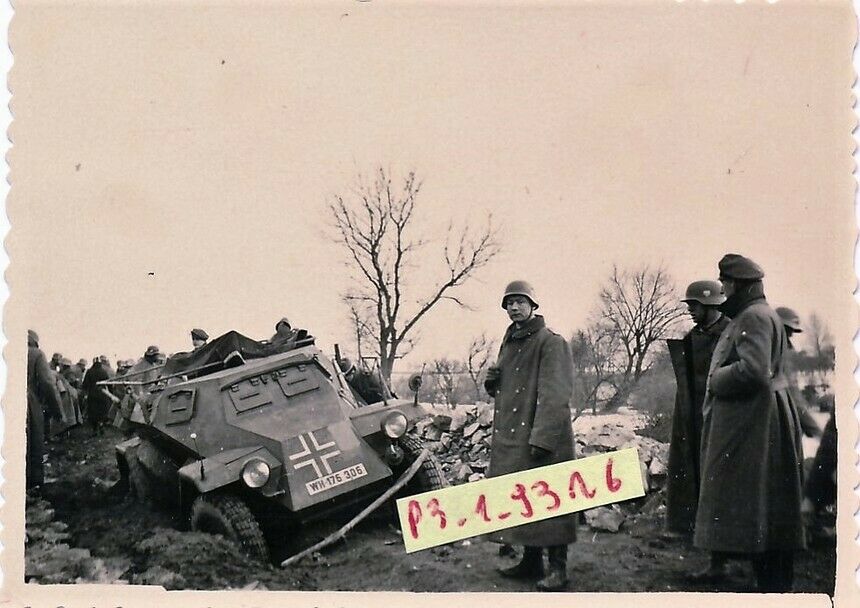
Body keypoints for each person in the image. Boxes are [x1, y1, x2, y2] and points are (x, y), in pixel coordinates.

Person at [694, 254, 805, 592]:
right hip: (757, 422)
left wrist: (716, 379)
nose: (723, 289)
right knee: (765, 507)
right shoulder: (756, 314)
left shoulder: (753, 317)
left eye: (727, 283)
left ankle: (772, 586)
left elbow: (755, 371)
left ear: (740, 284)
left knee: (758, 507)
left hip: (752, 426)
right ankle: (772, 582)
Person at [483, 280, 576, 592]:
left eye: (520, 301)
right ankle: (531, 561)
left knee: (552, 500)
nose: (514, 307)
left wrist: (543, 437)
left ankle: (559, 569)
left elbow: (556, 394)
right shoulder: (510, 341)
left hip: (543, 435)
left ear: (534, 305)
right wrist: (492, 381)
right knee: (524, 498)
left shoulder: (551, 342)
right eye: (509, 303)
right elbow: (506, 389)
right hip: (516, 432)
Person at [666, 281, 730, 543]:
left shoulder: (731, 333)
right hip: (691, 414)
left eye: (694, 305)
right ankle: (688, 526)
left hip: (720, 413)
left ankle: (719, 534)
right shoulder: (693, 337)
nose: (690, 310)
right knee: (689, 466)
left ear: (710, 304)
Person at [775, 306, 823, 439]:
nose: (790, 336)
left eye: (791, 332)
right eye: (787, 330)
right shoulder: (779, 355)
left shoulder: (783, 352)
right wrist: (817, 431)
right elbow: (793, 396)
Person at [27, 330, 62, 490]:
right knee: (33, 444)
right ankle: (34, 487)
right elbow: (48, 383)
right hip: (28, 403)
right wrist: (57, 411)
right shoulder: (36, 354)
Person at [81, 356, 114, 435]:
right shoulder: (104, 372)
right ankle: (101, 424)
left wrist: (85, 393)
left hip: (92, 395)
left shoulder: (89, 371)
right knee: (102, 412)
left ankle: (95, 429)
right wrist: (111, 393)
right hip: (102, 394)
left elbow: (85, 384)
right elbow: (109, 384)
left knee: (93, 412)